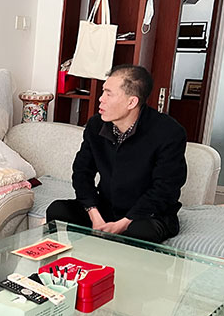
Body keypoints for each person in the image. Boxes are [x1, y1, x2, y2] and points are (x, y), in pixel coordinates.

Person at [46, 64, 187, 244]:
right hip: (106, 208)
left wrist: (123, 224)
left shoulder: (168, 132)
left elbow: (165, 189)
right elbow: (82, 172)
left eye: (108, 94)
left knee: (140, 231)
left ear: (131, 102)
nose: (101, 99)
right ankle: (68, 259)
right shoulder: (96, 125)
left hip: (148, 215)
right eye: (103, 92)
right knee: (58, 209)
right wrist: (94, 215)